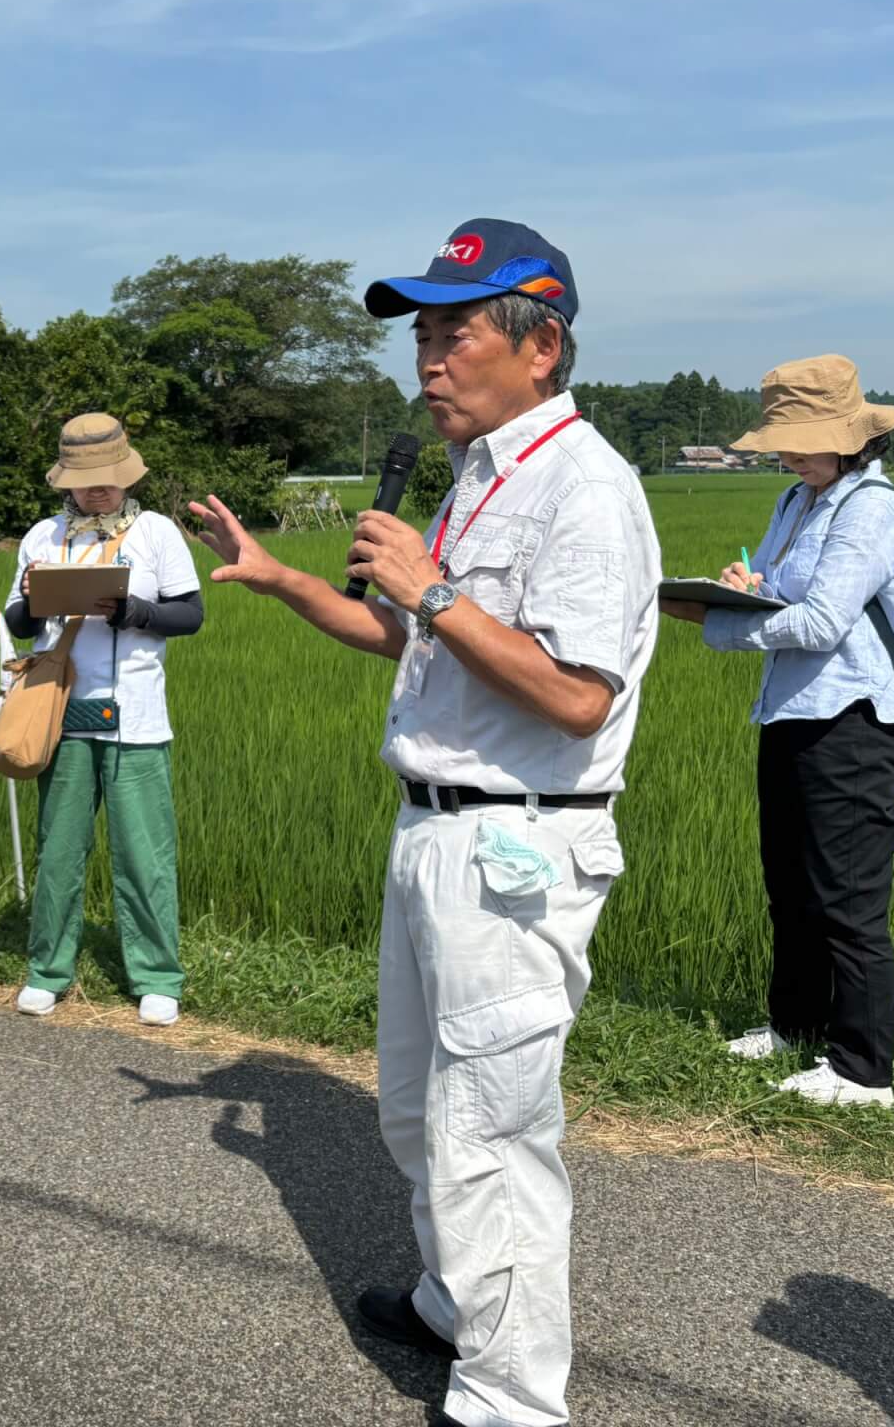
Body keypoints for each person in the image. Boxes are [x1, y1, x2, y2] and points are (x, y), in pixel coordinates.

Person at [189, 220, 659, 1427]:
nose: (428, 361)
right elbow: (419, 642)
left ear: (541, 344)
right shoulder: (480, 477)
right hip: (435, 835)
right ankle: (455, 1303)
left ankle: (509, 1404)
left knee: (491, 1134)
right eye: (422, 335)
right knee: (417, 1108)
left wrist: (430, 586)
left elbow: (571, 695)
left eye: (454, 333)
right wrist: (287, 577)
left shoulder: (584, 489)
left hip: (513, 849)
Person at [659, 355, 894, 1110]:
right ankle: (793, 1024)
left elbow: (821, 621)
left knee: (849, 899)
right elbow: (777, 592)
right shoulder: (797, 498)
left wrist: (716, 622)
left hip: (855, 723)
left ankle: (864, 1071)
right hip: (790, 714)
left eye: (800, 440)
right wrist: (744, 590)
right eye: (782, 441)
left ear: (849, 438)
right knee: (792, 887)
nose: (785, 453)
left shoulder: (872, 510)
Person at [3, 413, 204, 1027]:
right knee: (59, 848)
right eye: (87, 481)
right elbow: (18, 623)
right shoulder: (43, 536)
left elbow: (189, 615)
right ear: (66, 482)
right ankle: (47, 969)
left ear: (126, 475)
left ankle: (157, 976)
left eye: (108, 479)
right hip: (61, 712)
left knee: (145, 852)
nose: (99, 490)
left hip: (137, 717)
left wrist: (135, 611)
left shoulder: (157, 533)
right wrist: (34, 601)